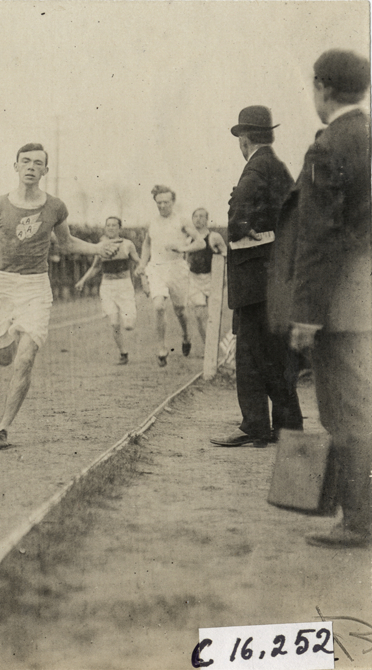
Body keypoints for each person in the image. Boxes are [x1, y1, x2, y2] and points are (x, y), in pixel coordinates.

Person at [269, 50, 371, 548]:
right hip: (365, 296)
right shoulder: (368, 138)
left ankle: (358, 522)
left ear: (322, 88)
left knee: (345, 414)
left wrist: (306, 316)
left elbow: (316, 240)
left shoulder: (328, 147)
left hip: (339, 306)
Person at [0, 143, 121, 450]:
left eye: (37, 163)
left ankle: (3, 427)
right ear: (15, 166)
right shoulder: (0, 204)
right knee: (4, 358)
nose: (30, 167)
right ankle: (9, 338)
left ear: (45, 170)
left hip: (35, 288)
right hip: (1, 286)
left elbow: (66, 243)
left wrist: (97, 248)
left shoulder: (54, 206)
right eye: (25, 161)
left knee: (25, 359)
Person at [210, 106, 302, 449]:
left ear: (244, 139)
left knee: (249, 354)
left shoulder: (255, 170)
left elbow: (239, 220)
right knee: (276, 354)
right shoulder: (279, 167)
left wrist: (237, 230)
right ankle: (287, 426)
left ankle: (255, 426)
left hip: (253, 280)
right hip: (279, 276)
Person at [135, 185, 205, 366]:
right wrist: (142, 264)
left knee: (180, 310)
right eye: (159, 203)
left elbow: (200, 243)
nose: (162, 206)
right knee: (158, 306)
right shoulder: (152, 222)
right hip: (156, 267)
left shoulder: (182, 221)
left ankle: (186, 336)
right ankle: (161, 348)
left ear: (173, 202)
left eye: (166, 202)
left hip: (177, 268)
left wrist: (182, 248)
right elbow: (146, 244)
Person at [74, 216, 141, 364]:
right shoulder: (101, 246)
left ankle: (130, 316)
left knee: (129, 325)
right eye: (108, 225)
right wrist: (82, 281)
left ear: (119, 228)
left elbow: (138, 261)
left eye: (114, 225)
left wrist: (141, 271)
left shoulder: (127, 245)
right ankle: (123, 353)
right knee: (114, 322)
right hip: (107, 286)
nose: (111, 228)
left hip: (124, 285)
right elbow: (96, 267)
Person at [185, 207, 227, 346]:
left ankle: (215, 345)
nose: (198, 219)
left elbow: (226, 255)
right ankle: (208, 347)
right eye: (195, 216)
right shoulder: (188, 239)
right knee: (199, 315)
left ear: (207, 219)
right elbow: (185, 260)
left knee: (213, 315)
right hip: (195, 279)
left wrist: (224, 276)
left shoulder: (214, 237)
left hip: (212, 278)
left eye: (201, 216)